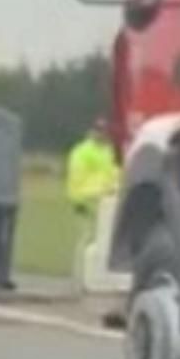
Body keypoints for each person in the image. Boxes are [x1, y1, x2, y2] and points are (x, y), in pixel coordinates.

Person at [65, 117, 121, 285]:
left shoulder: (111, 152)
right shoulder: (82, 152)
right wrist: (78, 200)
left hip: (108, 202)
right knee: (86, 240)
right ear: (92, 131)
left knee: (103, 244)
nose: (102, 134)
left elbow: (116, 175)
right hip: (88, 201)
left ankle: (97, 279)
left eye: (105, 131)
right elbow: (76, 179)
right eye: (99, 130)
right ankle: (79, 280)